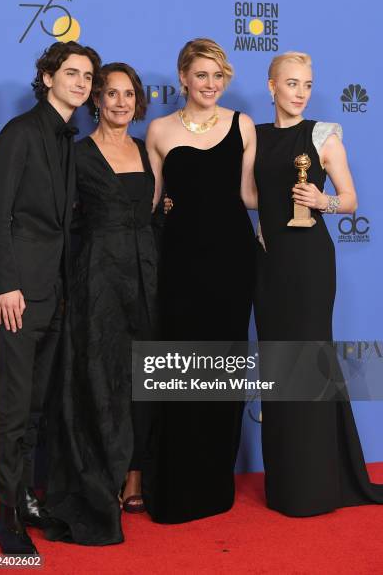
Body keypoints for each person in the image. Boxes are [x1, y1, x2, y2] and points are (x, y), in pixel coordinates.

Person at [0, 41, 101, 554]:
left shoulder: (70, 141)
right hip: (17, 292)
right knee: (12, 407)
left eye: (88, 76)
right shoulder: (20, 133)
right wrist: (6, 283)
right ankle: (6, 517)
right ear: (47, 77)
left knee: (36, 408)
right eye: (71, 72)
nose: (81, 82)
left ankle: (27, 496)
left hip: (54, 292)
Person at [253, 51, 383, 515]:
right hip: (268, 265)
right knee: (276, 365)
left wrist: (321, 199)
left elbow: (351, 199)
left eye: (307, 84)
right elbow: (251, 195)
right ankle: (285, 482)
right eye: (291, 83)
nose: (300, 92)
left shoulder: (324, 135)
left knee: (308, 361)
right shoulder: (256, 135)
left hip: (309, 263)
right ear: (272, 86)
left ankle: (315, 485)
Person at [43, 62, 158, 545]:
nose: (119, 102)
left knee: (144, 377)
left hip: (148, 277)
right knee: (101, 376)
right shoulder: (78, 152)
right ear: (96, 101)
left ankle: (135, 477)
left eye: (128, 94)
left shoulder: (145, 148)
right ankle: (101, 478)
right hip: (98, 278)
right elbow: (63, 224)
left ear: (138, 101)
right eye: (110, 94)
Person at [144, 38, 257, 523]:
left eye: (218, 76)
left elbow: (249, 194)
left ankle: (214, 484)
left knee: (223, 367)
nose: (211, 84)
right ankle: (173, 483)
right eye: (202, 75)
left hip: (232, 262)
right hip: (180, 263)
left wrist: (303, 198)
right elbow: (150, 203)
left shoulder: (242, 125)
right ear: (184, 78)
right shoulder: (158, 130)